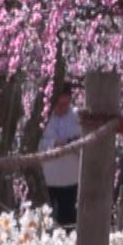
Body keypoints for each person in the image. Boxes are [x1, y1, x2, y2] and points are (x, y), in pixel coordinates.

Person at [38, 84, 81, 228]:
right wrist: (53, 143)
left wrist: (71, 144)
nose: (62, 108)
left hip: (71, 178)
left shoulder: (77, 116)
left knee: (68, 220)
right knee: (45, 221)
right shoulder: (44, 116)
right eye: (59, 104)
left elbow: (85, 140)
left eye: (66, 105)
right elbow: (36, 144)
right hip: (48, 177)